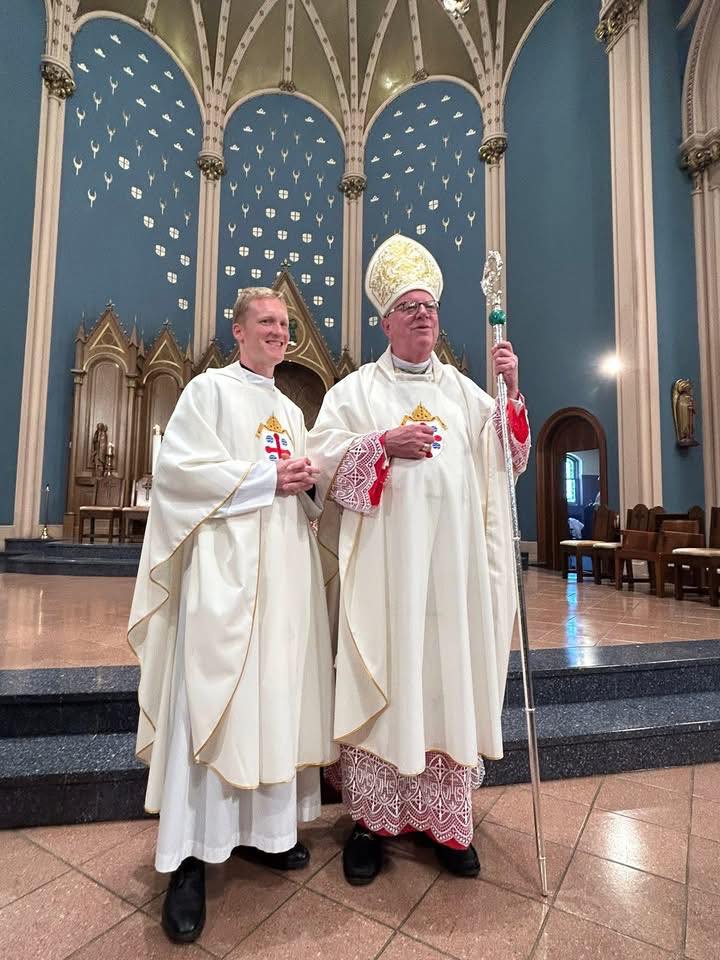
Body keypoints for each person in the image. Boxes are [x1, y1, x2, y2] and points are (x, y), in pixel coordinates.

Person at [307, 235, 530, 885]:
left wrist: (511, 396)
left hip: (450, 586)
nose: (423, 316)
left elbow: (507, 461)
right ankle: (371, 825)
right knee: (387, 687)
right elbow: (321, 466)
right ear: (386, 322)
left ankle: (446, 824)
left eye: (429, 306)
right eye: (409, 307)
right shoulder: (355, 394)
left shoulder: (466, 394)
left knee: (442, 685)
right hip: (385, 583)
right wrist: (380, 445)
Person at [128, 287, 336, 942]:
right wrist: (266, 479)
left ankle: (261, 833)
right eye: (267, 323)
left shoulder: (288, 409)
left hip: (283, 589)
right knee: (210, 708)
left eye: (285, 325)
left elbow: (306, 492)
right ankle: (188, 858)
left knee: (271, 705)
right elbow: (179, 474)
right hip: (223, 583)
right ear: (239, 331)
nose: (279, 332)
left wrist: (307, 486)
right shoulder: (208, 393)